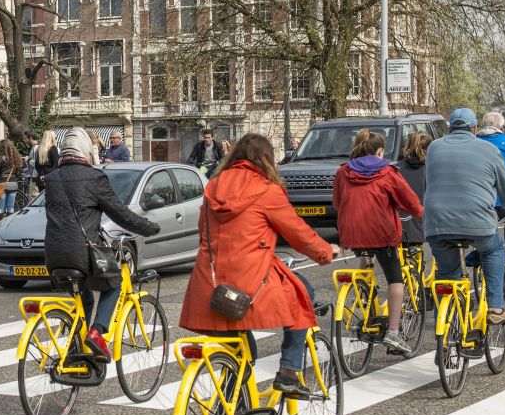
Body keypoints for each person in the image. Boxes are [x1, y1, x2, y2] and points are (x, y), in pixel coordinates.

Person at [180, 133, 336, 396]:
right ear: (266, 159)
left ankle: (230, 409)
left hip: (210, 281)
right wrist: (326, 252)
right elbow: (297, 232)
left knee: (240, 352)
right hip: (252, 279)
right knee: (303, 296)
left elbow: (203, 231)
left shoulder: (214, 186)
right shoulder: (266, 190)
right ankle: (288, 371)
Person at [43, 129, 160, 357]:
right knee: (114, 284)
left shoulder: (51, 179)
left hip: (54, 254)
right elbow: (120, 213)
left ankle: (79, 354)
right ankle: (97, 332)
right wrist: (148, 228)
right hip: (83, 252)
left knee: (84, 299)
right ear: (86, 150)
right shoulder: (94, 177)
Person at [423, 108, 505, 324]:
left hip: (437, 222)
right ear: (474, 129)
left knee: (447, 273)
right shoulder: (489, 149)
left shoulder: (434, 147)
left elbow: (428, 183)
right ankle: (495, 307)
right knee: (494, 250)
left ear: (450, 128)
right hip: (477, 221)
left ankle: (444, 321)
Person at [333, 129, 423, 355]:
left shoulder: (343, 172)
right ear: (380, 151)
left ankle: (364, 295)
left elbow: (337, 202)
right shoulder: (387, 172)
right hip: (382, 234)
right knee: (395, 279)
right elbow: (410, 202)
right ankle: (393, 331)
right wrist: (422, 214)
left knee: (365, 254)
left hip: (351, 233)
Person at [477, 112, 505, 266]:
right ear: (501, 127)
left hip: (481, 199)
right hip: (503, 199)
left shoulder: (474, 141)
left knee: (489, 226)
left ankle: (488, 251)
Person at [396, 132, 432, 247]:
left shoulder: (396, 169)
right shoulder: (432, 169)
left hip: (399, 223)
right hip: (425, 224)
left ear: (407, 146)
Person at [0, 138, 22, 216]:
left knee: (0, 208)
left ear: (2, 147)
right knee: (11, 208)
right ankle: (10, 223)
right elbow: (19, 171)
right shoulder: (16, 157)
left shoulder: (2, 157)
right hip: (13, 183)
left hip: (2, 183)